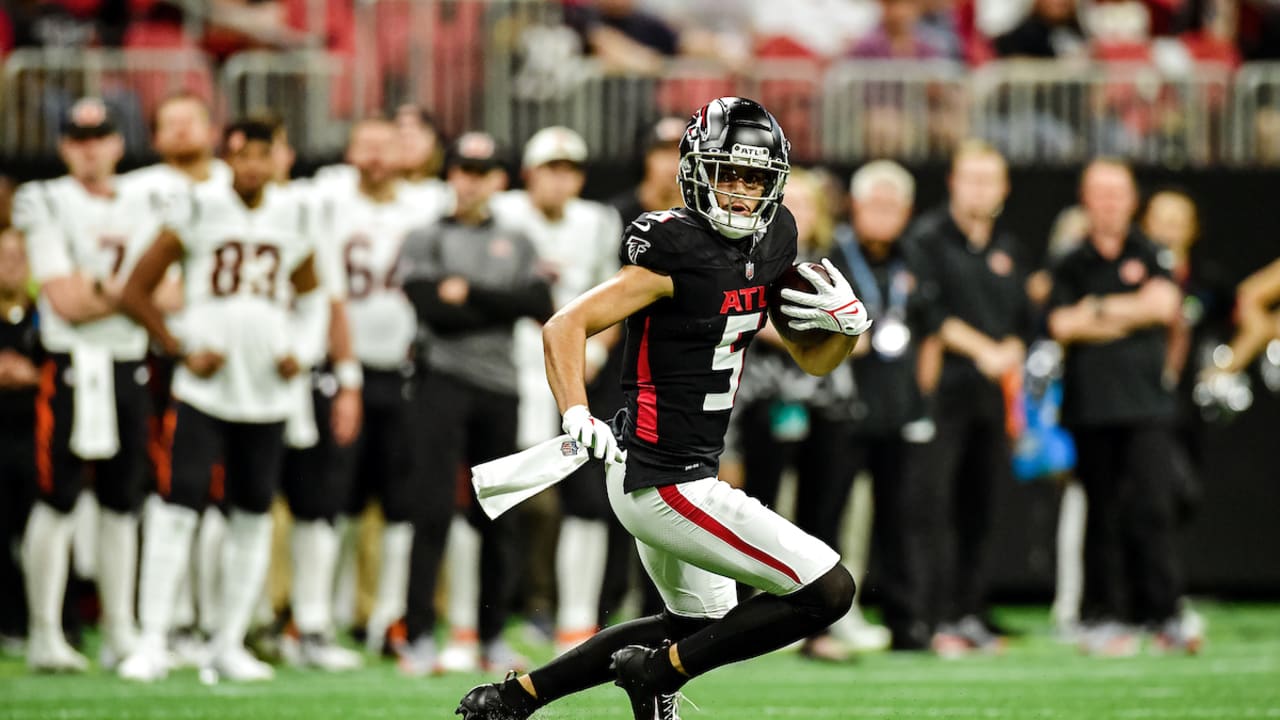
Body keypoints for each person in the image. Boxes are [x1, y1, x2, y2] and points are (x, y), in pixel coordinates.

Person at [455, 96, 869, 720]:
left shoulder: (776, 235)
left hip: (685, 469)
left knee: (691, 623)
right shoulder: (673, 250)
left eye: (753, 177)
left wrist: (840, 333)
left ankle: (513, 699)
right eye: (726, 172)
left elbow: (813, 361)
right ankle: (653, 675)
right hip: (661, 477)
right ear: (696, 172)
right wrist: (573, 411)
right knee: (828, 589)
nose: (737, 191)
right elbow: (563, 327)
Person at [116, 118, 327, 682]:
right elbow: (135, 289)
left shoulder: (294, 213)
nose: (253, 165)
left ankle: (228, 641)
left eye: (264, 154)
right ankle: (153, 638)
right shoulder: (197, 206)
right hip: (205, 387)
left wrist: (301, 351)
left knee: (253, 513)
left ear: (278, 157)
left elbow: (313, 299)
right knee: (178, 505)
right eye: (243, 154)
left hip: (267, 390)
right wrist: (179, 345)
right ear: (226, 157)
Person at [397, 131, 554, 675]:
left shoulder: (519, 238)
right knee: (432, 510)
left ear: (498, 180)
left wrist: (471, 294)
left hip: (500, 387)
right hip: (441, 382)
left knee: (499, 515)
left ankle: (491, 638)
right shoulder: (424, 236)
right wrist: (499, 305)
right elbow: (429, 309)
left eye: (481, 171)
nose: (470, 180)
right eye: (462, 169)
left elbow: (539, 303)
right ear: (451, 174)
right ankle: (417, 635)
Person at [12, 98, 158, 672]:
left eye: (99, 135)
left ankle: (121, 628)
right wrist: (132, 291)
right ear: (62, 145)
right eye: (78, 136)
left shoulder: (148, 197)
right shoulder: (44, 198)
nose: (89, 147)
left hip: (130, 362)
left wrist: (99, 284)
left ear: (118, 143)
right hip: (72, 365)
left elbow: (171, 293)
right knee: (58, 496)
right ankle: (46, 631)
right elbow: (64, 301)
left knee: (125, 501)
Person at [1047, 158, 1200, 656]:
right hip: (1091, 406)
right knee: (1102, 514)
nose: (1110, 204)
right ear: (1086, 200)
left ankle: (1164, 613)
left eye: (1118, 194)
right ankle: (1101, 616)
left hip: (1148, 404)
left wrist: (1097, 310)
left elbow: (1166, 309)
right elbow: (1061, 325)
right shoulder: (1070, 260)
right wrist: (1129, 311)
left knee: (1155, 509)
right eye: (1100, 194)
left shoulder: (1151, 252)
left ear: (1132, 201)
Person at [490, 126, 623, 656]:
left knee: (587, 498)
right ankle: (495, 619)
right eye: (551, 168)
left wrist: (595, 352)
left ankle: (576, 619)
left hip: (577, 369)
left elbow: (618, 293)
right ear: (529, 173)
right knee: (509, 494)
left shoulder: (596, 220)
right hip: (508, 367)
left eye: (569, 169)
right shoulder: (503, 213)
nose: (559, 179)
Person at [310, 118, 436, 661]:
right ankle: (316, 618)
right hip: (339, 370)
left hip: (405, 372)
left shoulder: (425, 208)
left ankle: (388, 617)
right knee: (327, 498)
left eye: (385, 147)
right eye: (366, 147)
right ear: (350, 152)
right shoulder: (325, 199)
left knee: (400, 502)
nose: (376, 158)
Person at [903, 139, 1030, 656]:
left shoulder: (1009, 247)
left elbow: (1026, 321)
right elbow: (927, 312)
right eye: (970, 178)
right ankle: (930, 616)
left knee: (983, 505)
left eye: (989, 179)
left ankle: (969, 610)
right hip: (940, 392)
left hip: (993, 398)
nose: (980, 189)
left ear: (1003, 189)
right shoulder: (926, 239)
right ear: (953, 182)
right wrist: (985, 350)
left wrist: (1011, 352)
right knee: (933, 507)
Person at [831, 161, 940, 652]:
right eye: (875, 203)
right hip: (842, 410)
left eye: (893, 206)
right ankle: (826, 616)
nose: (884, 214)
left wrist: (923, 396)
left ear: (908, 212)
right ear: (855, 206)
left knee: (904, 520)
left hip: (900, 409)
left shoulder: (916, 257)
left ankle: (907, 619)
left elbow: (932, 331)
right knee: (831, 517)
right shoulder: (833, 256)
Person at [268, 118, 364, 671]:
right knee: (235, 505)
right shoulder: (210, 207)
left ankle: (311, 623)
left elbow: (331, 302)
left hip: (304, 378)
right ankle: (232, 624)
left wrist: (347, 379)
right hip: (235, 378)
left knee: (317, 506)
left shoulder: (308, 211)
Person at [0, 229, 39, 651]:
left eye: (18, 256)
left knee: (41, 530)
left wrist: (33, 374)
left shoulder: (43, 317)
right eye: (2, 255)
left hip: (35, 435)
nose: (10, 264)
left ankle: (56, 622)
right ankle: (10, 622)